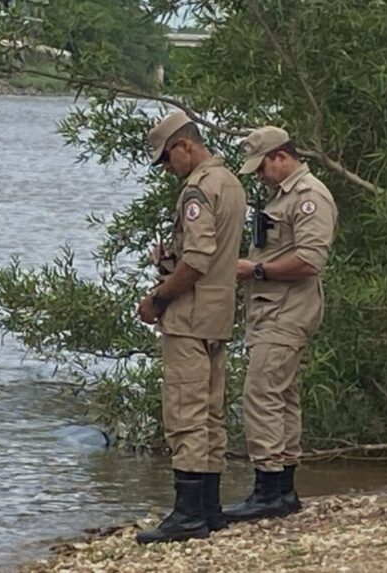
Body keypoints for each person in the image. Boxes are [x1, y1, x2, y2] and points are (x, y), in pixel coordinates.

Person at [136, 110, 246, 543]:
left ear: (185, 145)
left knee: (185, 414)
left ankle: (187, 515)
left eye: (167, 159)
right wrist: (170, 259)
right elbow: (217, 257)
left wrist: (159, 297)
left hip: (191, 315)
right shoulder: (232, 182)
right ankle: (210, 509)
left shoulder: (198, 189)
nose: (168, 169)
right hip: (219, 313)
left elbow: (198, 260)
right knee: (211, 413)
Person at [223, 126, 337, 522]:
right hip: (274, 310)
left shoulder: (309, 198)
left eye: (261, 168)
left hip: (288, 311)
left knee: (261, 393)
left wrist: (255, 269)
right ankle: (284, 489)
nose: (259, 176)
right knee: (282, 394)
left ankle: (268, 487)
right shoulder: (281, 197)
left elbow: (310, 260)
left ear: (281, 157)